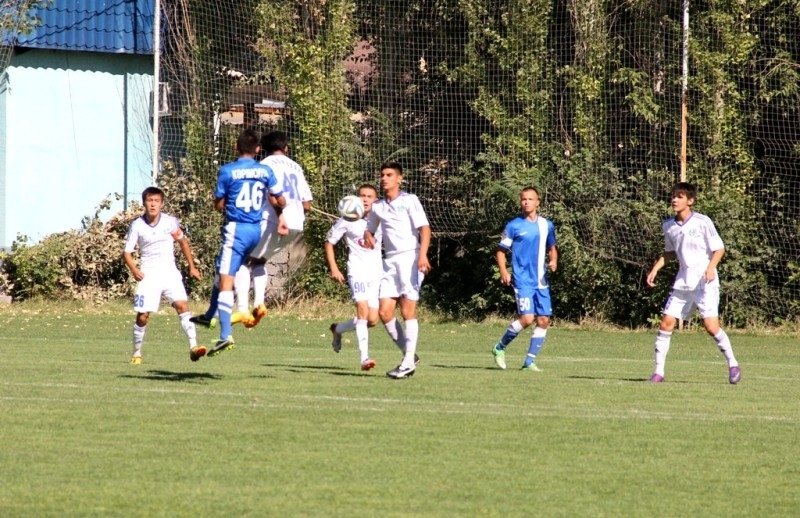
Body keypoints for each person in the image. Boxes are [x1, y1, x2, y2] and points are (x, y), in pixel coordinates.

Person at [645, 182, 741, 384]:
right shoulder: (668, 226)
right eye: (673, 196)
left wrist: (711, 267)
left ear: (690, 201)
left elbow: (719, 248)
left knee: (711, 326)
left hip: (705, 283)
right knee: (666, 323)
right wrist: (655, 269)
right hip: (683, 283)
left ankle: (733, 364)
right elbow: (670, 252)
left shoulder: (702, 221)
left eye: (679, 197)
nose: (674, 200)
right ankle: (658, 372)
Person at [204, 128, 286, 357]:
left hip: (236, 229)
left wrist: (229, 202)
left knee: (226, 280)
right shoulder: (265, 170)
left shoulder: (227, 171)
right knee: (229, 269)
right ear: (258, 149)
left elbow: (218, 204)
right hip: (256, 230)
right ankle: (210, 314)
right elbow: (281, 199)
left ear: (235, 147)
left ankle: (225, 335)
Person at [231, 130, 313, 327]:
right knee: (259, 260)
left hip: (274, 219)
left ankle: (242, 309)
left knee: (241, 258)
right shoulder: (296, 167)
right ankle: (259, 304)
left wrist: (280, 215)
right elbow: (307, 204)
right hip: (296, 224)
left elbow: (271, 194)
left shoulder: (264, 166)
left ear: (262, 149)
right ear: (286, 148)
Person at [122, 186, 205, 364]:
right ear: (144, 203)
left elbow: (183, 242)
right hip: (149, 275)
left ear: (161, 204)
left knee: (182, 306)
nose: (153, 204)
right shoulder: (137, 226)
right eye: (149, 201)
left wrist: (192, 267)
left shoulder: (170, 222)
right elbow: (127, 252)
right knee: (143, 316)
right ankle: (136, 353)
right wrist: (135, 270)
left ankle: (194, 346)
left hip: (169, 272)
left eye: (156, 201)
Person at [364, 161, 431, 379]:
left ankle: (408, 362)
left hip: (410, 258)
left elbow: (425, 228)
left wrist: (422, 255)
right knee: (384, 312)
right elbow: (370, 229)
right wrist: (368, 237)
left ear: (399, 178)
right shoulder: (378, 206)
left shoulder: (410, 200)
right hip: (390, 261)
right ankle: (410, 356)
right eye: (382, 175)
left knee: (407, 311)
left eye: (389, 175)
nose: (384, 178)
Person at [491, 186, 558, 372]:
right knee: (527, 319)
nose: (527, 202)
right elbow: (501, 251)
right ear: (520, 202)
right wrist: (504, 271)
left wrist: (553, 261)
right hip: (523, 279)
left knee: (543, 320)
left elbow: (552, 248)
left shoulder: (546, 225)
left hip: (541, 280)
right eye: (524, 199)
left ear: (538, 202)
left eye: (530, 199)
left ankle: (529, 362)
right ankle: (499, 347)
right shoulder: (513, 226)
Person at [326, 184, 383, 371]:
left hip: (376, 273)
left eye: (369, 196)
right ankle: (364, 358)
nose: (365, 199)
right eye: (362, 195)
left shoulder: (380, 218)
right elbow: (329, 243)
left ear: (376, 200)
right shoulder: (347, 219)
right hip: (357, 271)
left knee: (372, 320)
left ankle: (338, 329)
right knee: (362, 311)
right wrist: (334, 268)